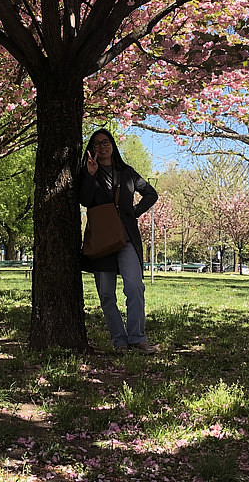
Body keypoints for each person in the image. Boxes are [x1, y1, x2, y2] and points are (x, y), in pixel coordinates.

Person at [79, 129, 159, 354]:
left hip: (126, 238)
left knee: (134, 287)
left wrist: (133, 212)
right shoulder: (87, 172)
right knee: (106, 294)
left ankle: (137, 338)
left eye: (105, 142)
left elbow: (151, 194)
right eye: (96, 144)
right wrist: (91, 174)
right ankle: (120, 342)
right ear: (91, 149)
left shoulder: (127, 173)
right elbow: (84, 200)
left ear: (113, 145)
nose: (101, 147)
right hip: (102, 240)